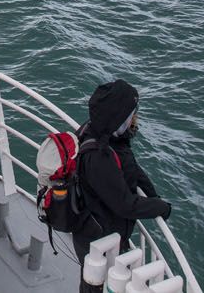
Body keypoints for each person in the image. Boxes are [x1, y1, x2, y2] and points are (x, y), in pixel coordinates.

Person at [72, 79, 172, 290]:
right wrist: (162, 207)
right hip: (96, 237)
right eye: (131, 113)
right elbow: (125, 205)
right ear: (119, 118)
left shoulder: (101, 132)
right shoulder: (99, 157)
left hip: (98, 226)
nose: (134, 117)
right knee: (93, 284)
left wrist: (152, 195)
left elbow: (130, 167)